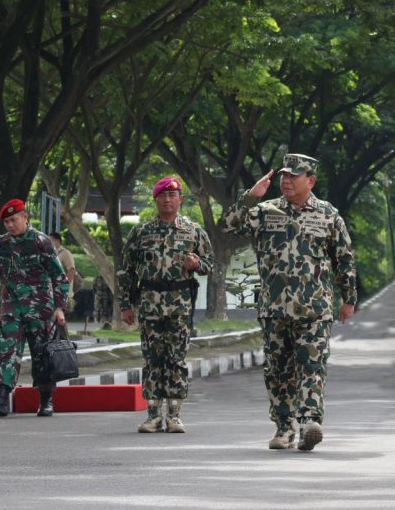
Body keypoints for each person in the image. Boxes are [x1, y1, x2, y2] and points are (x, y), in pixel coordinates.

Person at [223, 153, 357, 451]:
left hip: (315, 308)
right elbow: (230, 225)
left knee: (312, 365)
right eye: (284, 175)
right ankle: (284, 427)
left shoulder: (328, 215)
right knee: (278, 370)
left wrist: (349, 299)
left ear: (310, 181)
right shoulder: (265, 211)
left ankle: (310, 421)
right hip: (275, 308)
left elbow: (344, 259)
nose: (286, 180)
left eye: (293, 176)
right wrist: (250, 196)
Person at [119, 176, 211, 434]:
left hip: (180, 306)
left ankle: (174, 415)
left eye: (173, 196)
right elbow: (126, 271)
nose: (168, 200)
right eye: (163, 196)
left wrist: (197, 265)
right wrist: (126, 304)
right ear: (155, 200)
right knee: (151, 360)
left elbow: (210, 264)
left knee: (177, 360)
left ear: (181, 199)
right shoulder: (141, 232)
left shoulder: (193, 232)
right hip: (149, 305)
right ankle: (152, 415)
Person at [0, 199, 69, 418]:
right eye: (6, 221)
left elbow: (59, 276)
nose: (10, 225)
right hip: (11, 306)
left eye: (14, 220)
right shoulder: (1, 244)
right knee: (7, 349)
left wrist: (59, 307)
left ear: (25, 217)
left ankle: (46, 399)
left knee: (42, 354)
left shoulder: (42, 242)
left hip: (41, 307)